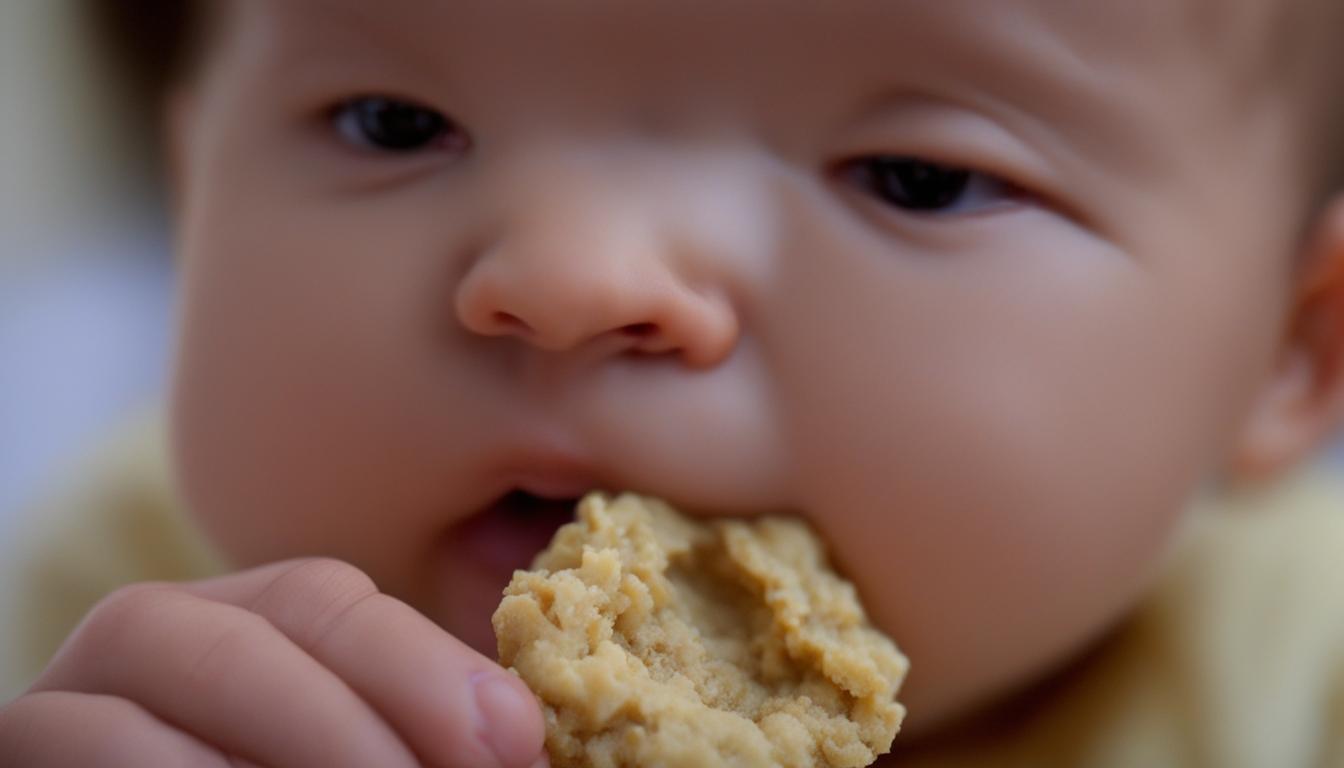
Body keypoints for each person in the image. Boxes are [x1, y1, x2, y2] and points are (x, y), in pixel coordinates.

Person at [4, 1, 1344, 765]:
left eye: (916, 179)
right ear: (195, 208)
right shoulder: (125, 619)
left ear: (1290, 353)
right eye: (394, 124)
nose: (571, 275)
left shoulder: (1305, 690)